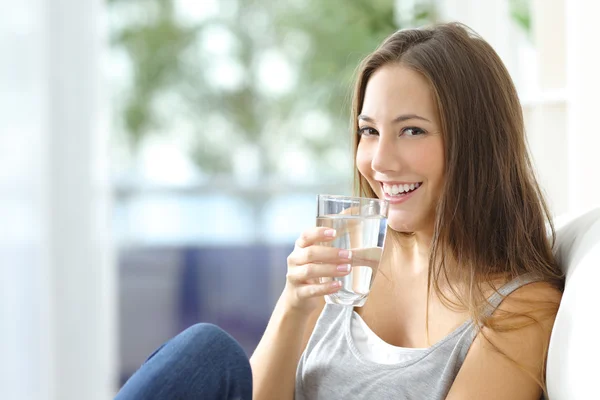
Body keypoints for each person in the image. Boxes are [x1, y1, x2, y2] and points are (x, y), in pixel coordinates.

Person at [115, 22, 564, 400]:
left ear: (477, 146)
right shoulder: (353, 254)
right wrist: (295, 305)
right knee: (207, 351)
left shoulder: (521, 309)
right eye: (368, 131)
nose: (380, 161)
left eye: (411, 130)